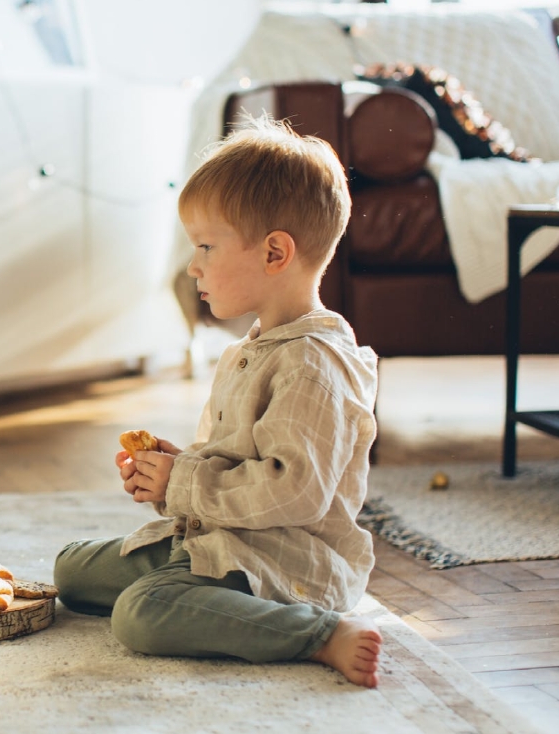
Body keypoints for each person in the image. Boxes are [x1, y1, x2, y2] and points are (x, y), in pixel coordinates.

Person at [53, 116, 382, 688]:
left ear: (275, 253)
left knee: (142, 614)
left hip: (283, 561)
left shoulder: (313, 363)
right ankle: (199, 598)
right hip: (225, 539)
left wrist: (182, 483)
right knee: (71, 570)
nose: (193, 264)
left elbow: (294, 492)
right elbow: (238, 459)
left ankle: (316, 633)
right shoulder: (255, 348)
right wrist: (173, 470)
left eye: (206, 245)